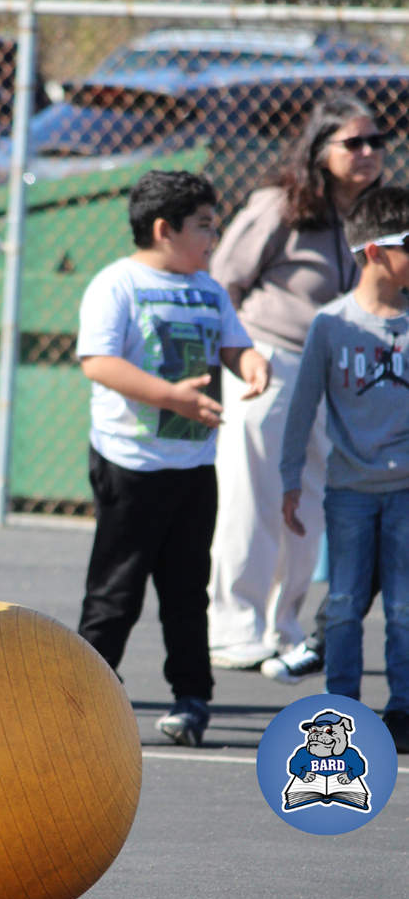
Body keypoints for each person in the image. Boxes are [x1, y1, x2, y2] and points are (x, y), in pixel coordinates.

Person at [76, 170, 270, 748]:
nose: (215, 236)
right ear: (165, 229)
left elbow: (232, 343)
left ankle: (191, 698)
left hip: (193, 467)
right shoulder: (118, 284)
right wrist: (170, 397)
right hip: (131, 465)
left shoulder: (208, 289)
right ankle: (84, 694)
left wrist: (251, 362)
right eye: (205, 226)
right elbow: (98, 362)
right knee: (116, 591)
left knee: (187, 591)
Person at [207, 94, 384, 671]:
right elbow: (223, 283)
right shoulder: (278, 204)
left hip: (338, 373)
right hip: (270, 361)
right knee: (253, 494)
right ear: (320, 149)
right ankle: (235, 626)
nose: (367, 152)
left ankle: (283, 626)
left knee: (310, 500)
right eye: (352, 142)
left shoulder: (382, 213)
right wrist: (239, 357)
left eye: (376, 142)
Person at [280, 186, 409, 754]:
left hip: (405, 492)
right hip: (349, 494)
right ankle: (341, 708)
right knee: (346, 605)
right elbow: (301, 406)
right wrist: (289, 480)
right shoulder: (332, 325)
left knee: (405, 606)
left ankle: (403, 709)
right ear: (375, 250)